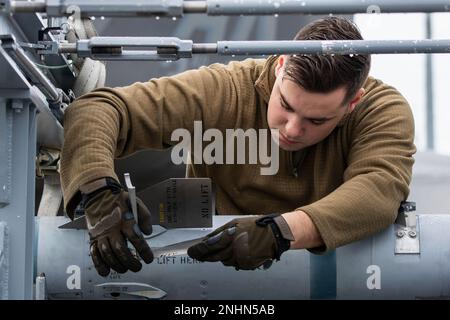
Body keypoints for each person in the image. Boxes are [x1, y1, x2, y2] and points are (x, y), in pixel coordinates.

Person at [60, 17, 415, 276]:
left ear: (352, 104)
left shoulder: (382, 110)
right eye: (286, 106)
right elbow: (99, 109)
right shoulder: (225, 90)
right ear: (280, 68)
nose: (292, 129)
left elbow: (379, 188)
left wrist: (280, 232)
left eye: (316, 120)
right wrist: (97, 193)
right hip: (207, 275)